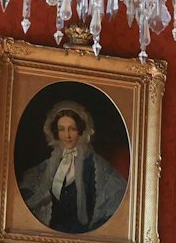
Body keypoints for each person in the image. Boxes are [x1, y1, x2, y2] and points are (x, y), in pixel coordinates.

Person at [17, 100, 126, 234]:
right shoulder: (49, 165)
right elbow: (29, 191)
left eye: (72, 129)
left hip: (83, 237)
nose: (67, 135)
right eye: (61, 129)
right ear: (55, 132)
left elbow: (116, 198)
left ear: (81, 131)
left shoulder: (96, 167)